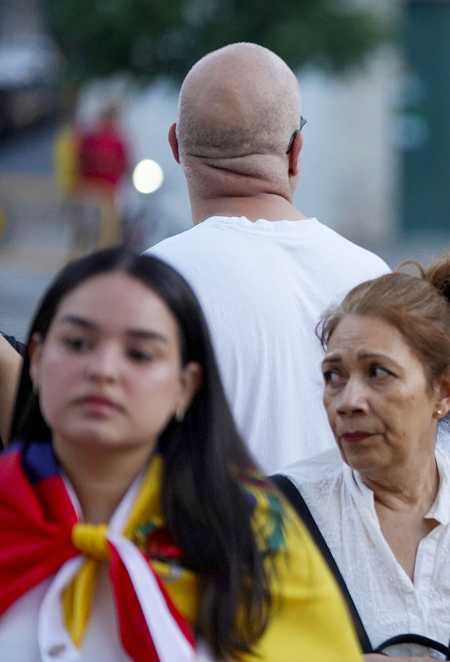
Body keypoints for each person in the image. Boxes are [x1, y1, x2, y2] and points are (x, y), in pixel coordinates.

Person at [0, 248, 361, 660]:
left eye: (139, 354)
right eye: (78, 343)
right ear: (37, 359)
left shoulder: (251, 531)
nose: (102, 369)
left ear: (185, 386)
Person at [277, 254, 450, 661]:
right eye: (333, 375)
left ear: (443, 390)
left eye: (378, 372)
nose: (348, 401)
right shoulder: (282, 513)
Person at [146, 42, 394, 473]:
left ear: (176, 146)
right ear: (296, 152)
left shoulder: (148, 283)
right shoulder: (374, 279)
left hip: (202, 540)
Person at [75, 102, 131, 249]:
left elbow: (124, 162)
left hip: (107, 190)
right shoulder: (93, 138)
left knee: (107, 230)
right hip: (94, 189)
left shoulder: (116, 139)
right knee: (91, 228)